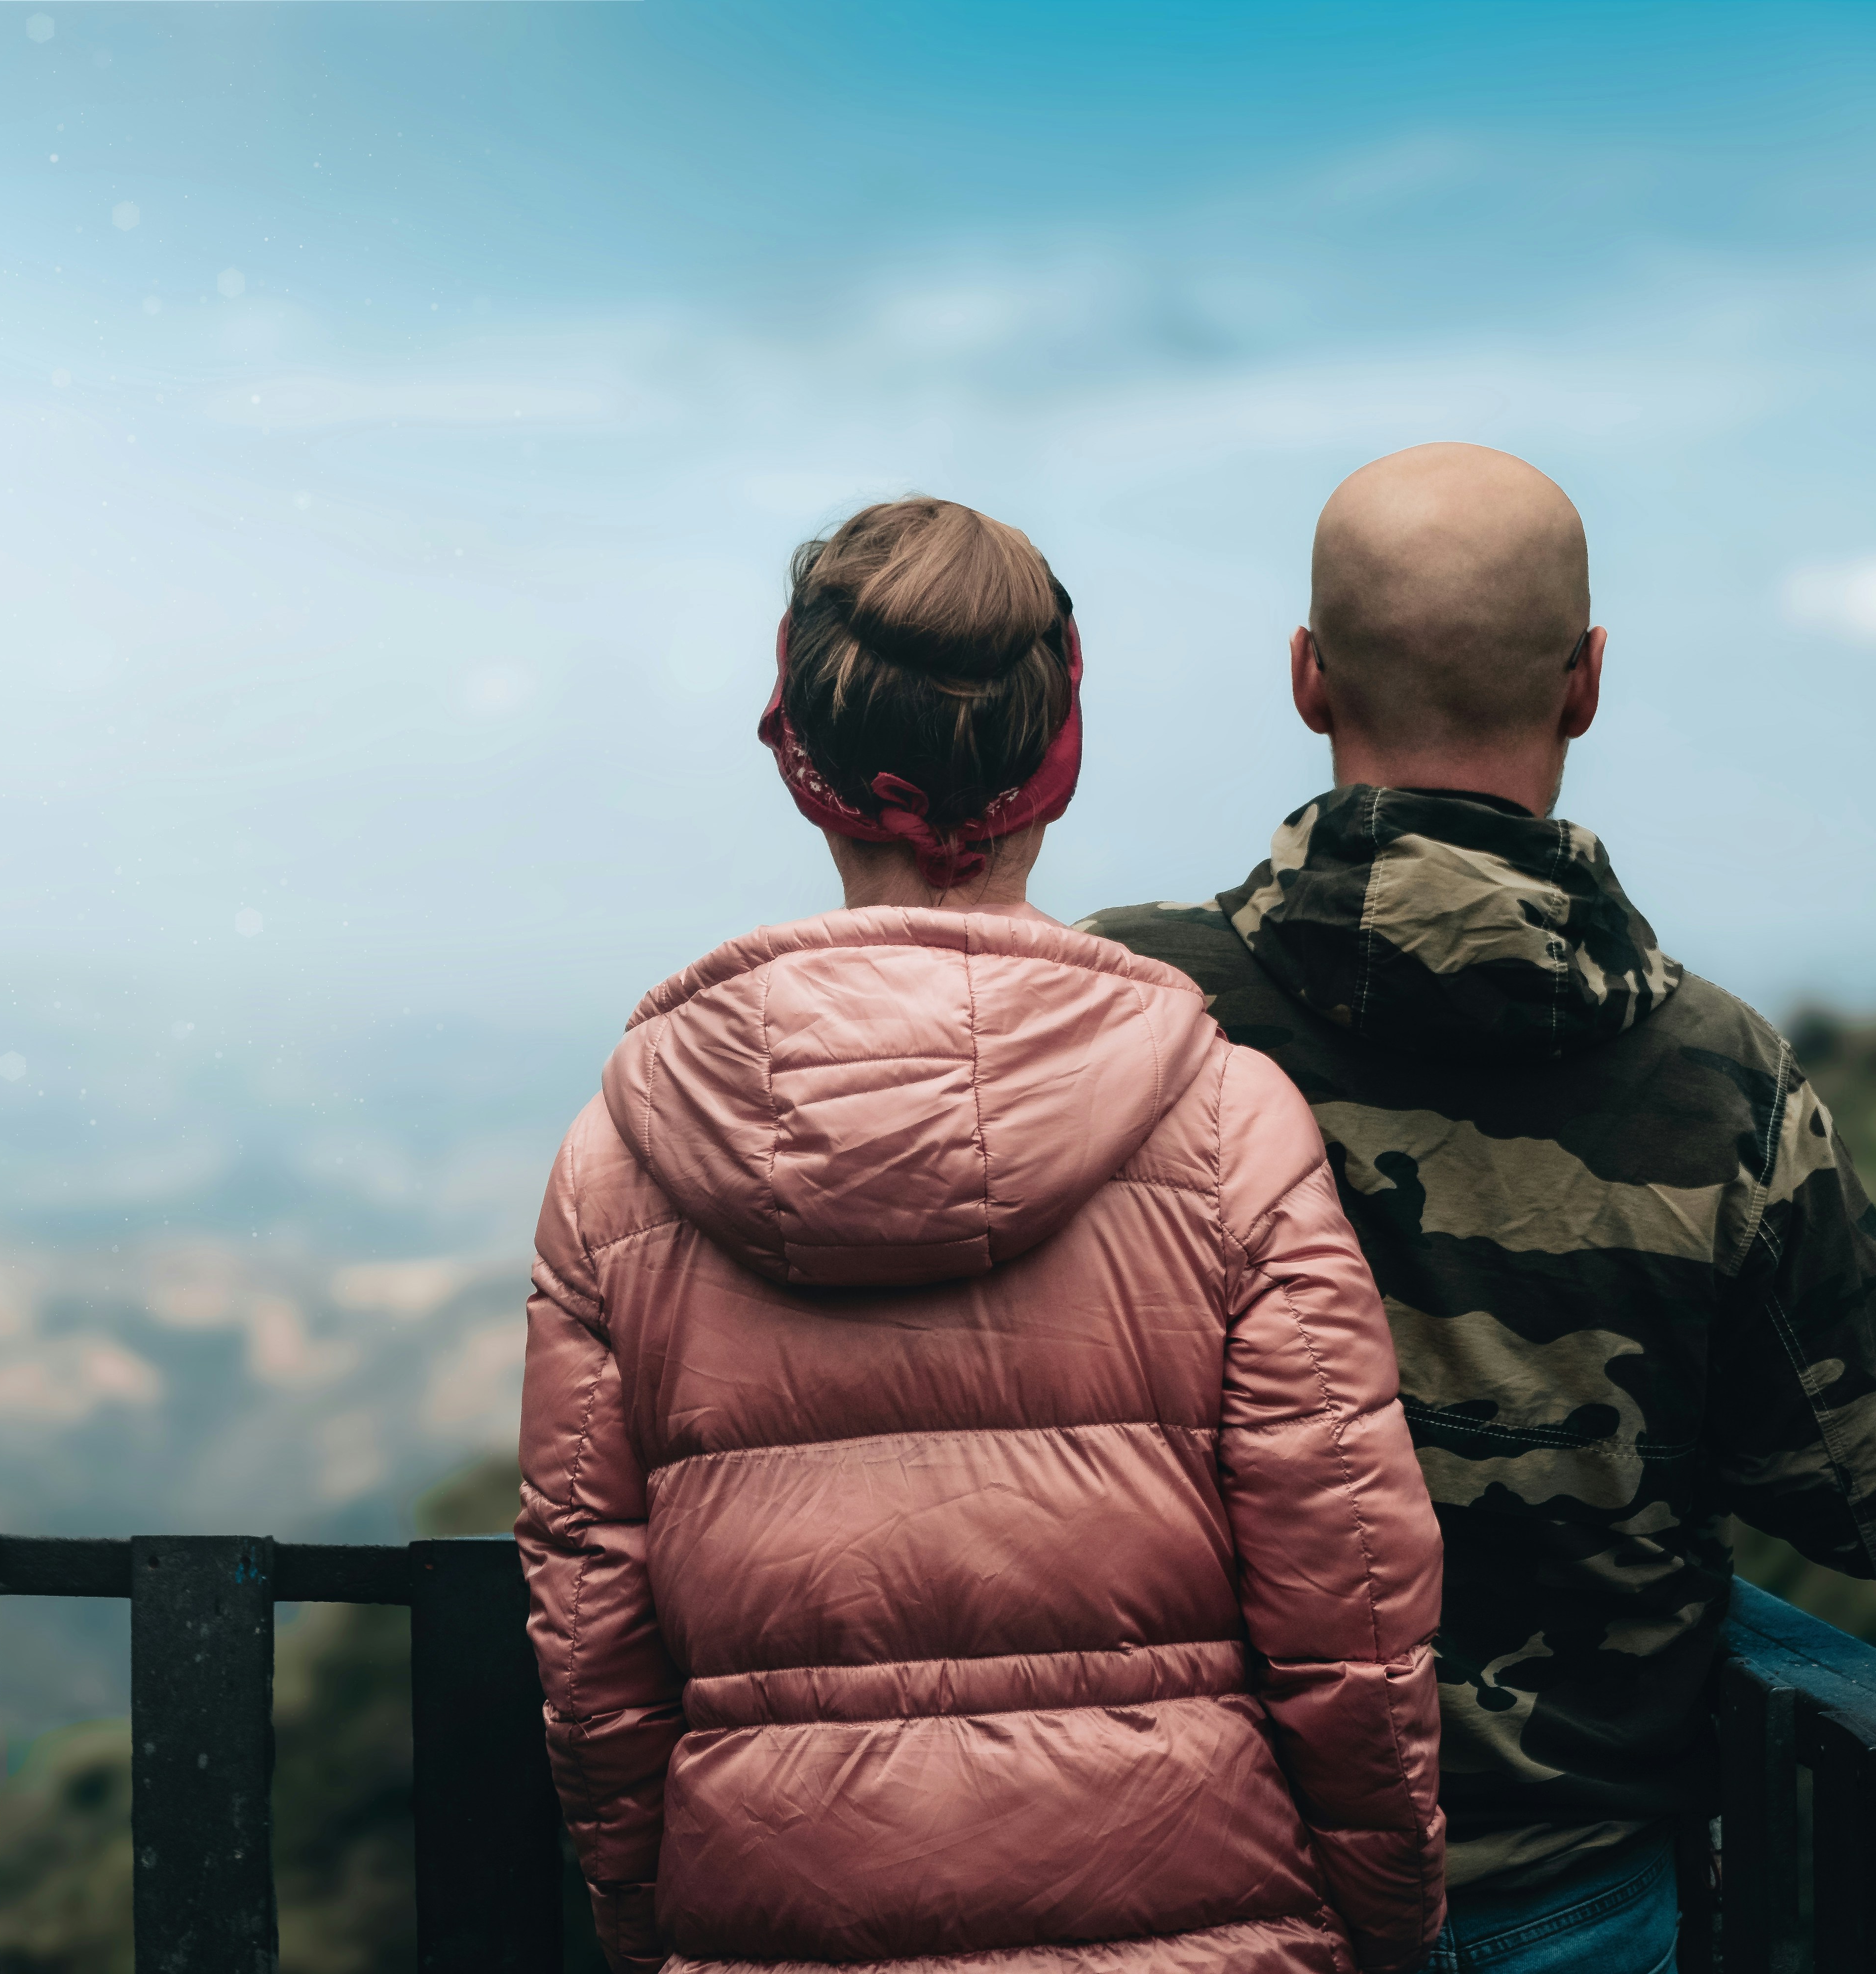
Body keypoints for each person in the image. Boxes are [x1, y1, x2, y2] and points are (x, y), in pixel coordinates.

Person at [515, 497, 1448, 1974]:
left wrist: (652, 1923)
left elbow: (593, 1645)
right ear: (1054, 763)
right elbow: (1354, 1603)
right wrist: (1387, 1921)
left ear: (800, 761)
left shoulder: (616, 1162)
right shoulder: (1227, 1124)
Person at [1080, 444, 1876, 1974]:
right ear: (1587, 683)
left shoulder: (1118, 1013)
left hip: (1202, 1886)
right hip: (1572, 1899)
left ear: (1307, 677)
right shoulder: (1718, 1080)